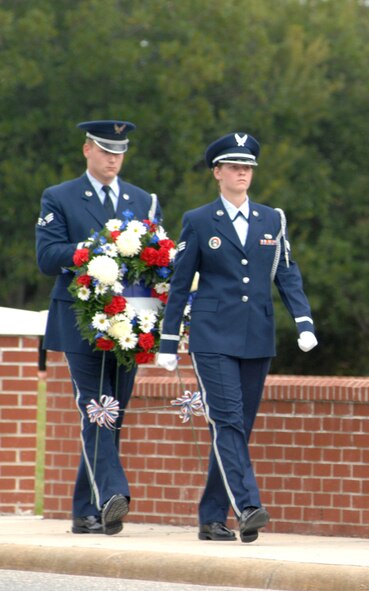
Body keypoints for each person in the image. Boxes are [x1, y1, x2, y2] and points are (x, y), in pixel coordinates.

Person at [155, 132, 317, 543]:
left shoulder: (271, 220)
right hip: (212, 337)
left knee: (236, 429)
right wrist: (169, 340)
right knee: (226, 420)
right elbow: (179, 283)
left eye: (248, 167)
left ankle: (211, 518)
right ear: (217, 173)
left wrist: (303, 321)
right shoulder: (199, 220)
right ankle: (247, 506)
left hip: (257, 335)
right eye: (234, 166)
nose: (242, 172)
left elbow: (286, 272)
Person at [36, 120, 161, 535]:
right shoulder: (60, 197)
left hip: (129, 319)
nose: (112, 159)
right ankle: (113, 493)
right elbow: (48, 256)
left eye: (119, 152)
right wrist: (94, 251)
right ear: (87, 149)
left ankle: (87, 510)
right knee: (96, 407)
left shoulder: (142, 199)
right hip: (79, 319)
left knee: (113, 412)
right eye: (105, 150)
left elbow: (154, 258)